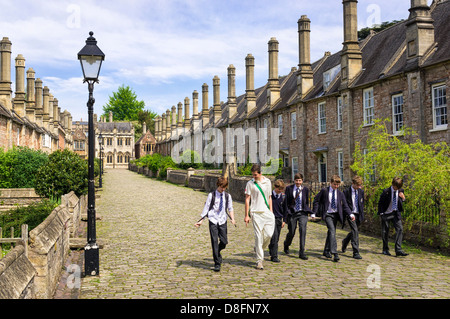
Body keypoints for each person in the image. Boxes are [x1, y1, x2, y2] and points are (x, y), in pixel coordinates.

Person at [195, 176, 236, 272]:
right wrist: (201, 220)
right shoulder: (211, 195)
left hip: (222, 220)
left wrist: (233, 219)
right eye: (221, 187)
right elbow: (206, 208)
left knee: (224, 241)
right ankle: (217, 263)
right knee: (214, 241)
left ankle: (217, 252)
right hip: (213, 219)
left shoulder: (227, 196)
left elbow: (230, 208)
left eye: (224, 187)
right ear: (218, 185)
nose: (223, 189)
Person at [313, 175, 353, 262]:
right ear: (331, 183)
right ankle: (334, 253)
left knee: (331, 232)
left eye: (337, 185)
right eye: (334, 184)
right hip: (327, 214)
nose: (336, 186)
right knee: (332, 231)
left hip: (335, 215)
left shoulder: (340, 194)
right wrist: (314, 212)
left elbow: (345, 205)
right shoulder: (325, 191)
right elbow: (316, 200)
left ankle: (326, 250)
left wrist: (350, 214)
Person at [244, 164, 275, 270]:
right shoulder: (250, 183)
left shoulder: (268, 182)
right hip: (255, 212)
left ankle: (259, 248)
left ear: (261, 173)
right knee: (258, 237)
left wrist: (271, 211)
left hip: (266, 212)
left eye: (256, 175)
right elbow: (247, 199)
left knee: (269, 234)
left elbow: (270, 197)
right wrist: (246, 215)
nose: (254, 177)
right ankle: (259, 261)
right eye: (253, 175)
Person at [283, 173, 313, 260]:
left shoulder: (305, 190)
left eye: (299, 180)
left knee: (302, 230)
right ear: (294, 180)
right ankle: (286, 244)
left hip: (302, 213)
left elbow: (306, 202)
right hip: (292, 213)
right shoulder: (289, 189)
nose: (298, 182)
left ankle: (302, 252)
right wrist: (286, 214)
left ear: (302, 181)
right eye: (296, 180)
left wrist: (309, 211)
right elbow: (286, 202)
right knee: (292, 232)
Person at [378, 177, 408, 257]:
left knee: (400, 229)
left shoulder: (400, 191)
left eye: (399, 187)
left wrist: (403, 198)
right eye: (396, 187)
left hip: (395, 213)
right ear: (393, 184)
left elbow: (401, 201)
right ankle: (385, 249)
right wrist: (381, 214)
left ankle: (398, 249)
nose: (397, 189)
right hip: (386, 213)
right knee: (385, 232)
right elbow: (380, 203)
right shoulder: (386, 192)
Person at [342, 175, 364, 259]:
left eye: (360, 185)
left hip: (358, 214)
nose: (359, 187)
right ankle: (356, 252)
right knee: (355, 231)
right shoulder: (346, 192)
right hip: (350, 214)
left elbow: (362, 203)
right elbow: (345, 204)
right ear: (353, 183)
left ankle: (345, 241)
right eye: (357, 185)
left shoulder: (361, 192)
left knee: (354, 231)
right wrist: (349, 213)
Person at [268, 179, 288, 262]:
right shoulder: (269, 196)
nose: (280, 191)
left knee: (276, 238)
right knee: (274, 237)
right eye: (278, 189)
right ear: (275, 187)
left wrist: (284, 220)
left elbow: (285, 209)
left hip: (279, 219)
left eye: (281, 190)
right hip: (271, 219)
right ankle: (274, 256)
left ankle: (271, 247)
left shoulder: (283, 197)